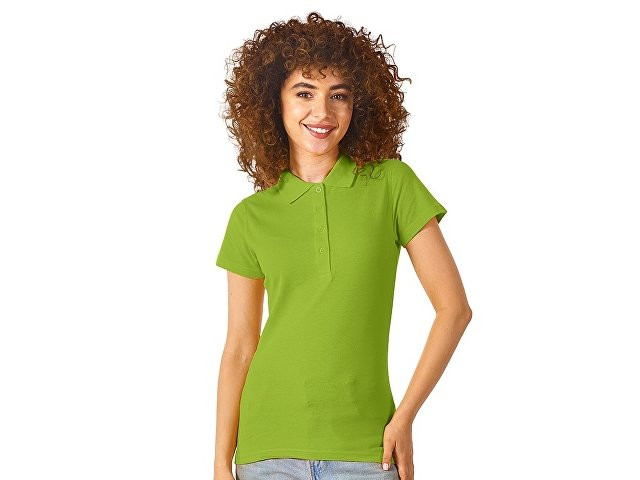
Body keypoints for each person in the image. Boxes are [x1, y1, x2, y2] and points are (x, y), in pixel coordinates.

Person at [213, 12, 472, 480]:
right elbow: (240, 348)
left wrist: (405, 417)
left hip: (367, 450)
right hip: (266, 451)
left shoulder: (392, 185)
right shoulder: (250, 217)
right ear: (274, 101)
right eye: (304, 93)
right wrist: (219, 463)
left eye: (339, 95)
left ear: (359, 104)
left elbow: (454, 310)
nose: (323, 112)